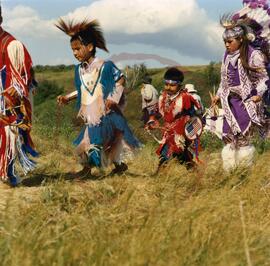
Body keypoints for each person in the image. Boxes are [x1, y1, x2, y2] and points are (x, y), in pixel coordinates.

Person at [56, 18, 140, 178]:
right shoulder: (79, 70)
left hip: (105, 114)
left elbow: (120, 79)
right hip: (90, 115)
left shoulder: (105, 65)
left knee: (97, 144)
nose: (75, 53)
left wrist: (113, 99)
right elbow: (83, 89)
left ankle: (94, 170)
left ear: (90, 47)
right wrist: (67, 98)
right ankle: (112, 167)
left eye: (78, 48)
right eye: (72, 50)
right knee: (83, 146)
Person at [211, 9, 269, 171]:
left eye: (230, 41)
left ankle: (244, 172)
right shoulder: (226, 55)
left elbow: (264, 78)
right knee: (229, 138)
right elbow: (224, 80)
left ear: (241, 39)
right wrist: (217, 96)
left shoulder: (253, 55)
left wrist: (258, 94)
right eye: (225, 41)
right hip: (229, 103)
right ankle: (230, 173)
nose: (227, 44)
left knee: (243, 139)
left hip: (246, 102)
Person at [0, 5, 38, 186]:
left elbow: (24, 73)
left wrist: (17, 86)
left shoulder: (11, 45)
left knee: (9, 135)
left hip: (7, 103)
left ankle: (8, 173)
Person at [149, 67, 201, 171]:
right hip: (168, 131)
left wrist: (190, 134)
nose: (168, 87)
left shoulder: (185, 98)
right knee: (181, 157)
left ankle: (159, 176)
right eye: (166, 84)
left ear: (179, 85)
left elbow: (194, 116)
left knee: (166, 154)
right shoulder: (162, 97)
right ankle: (194, 170)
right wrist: (152, 120)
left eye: (172, 85)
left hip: (180, 133)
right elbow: (156, 112)